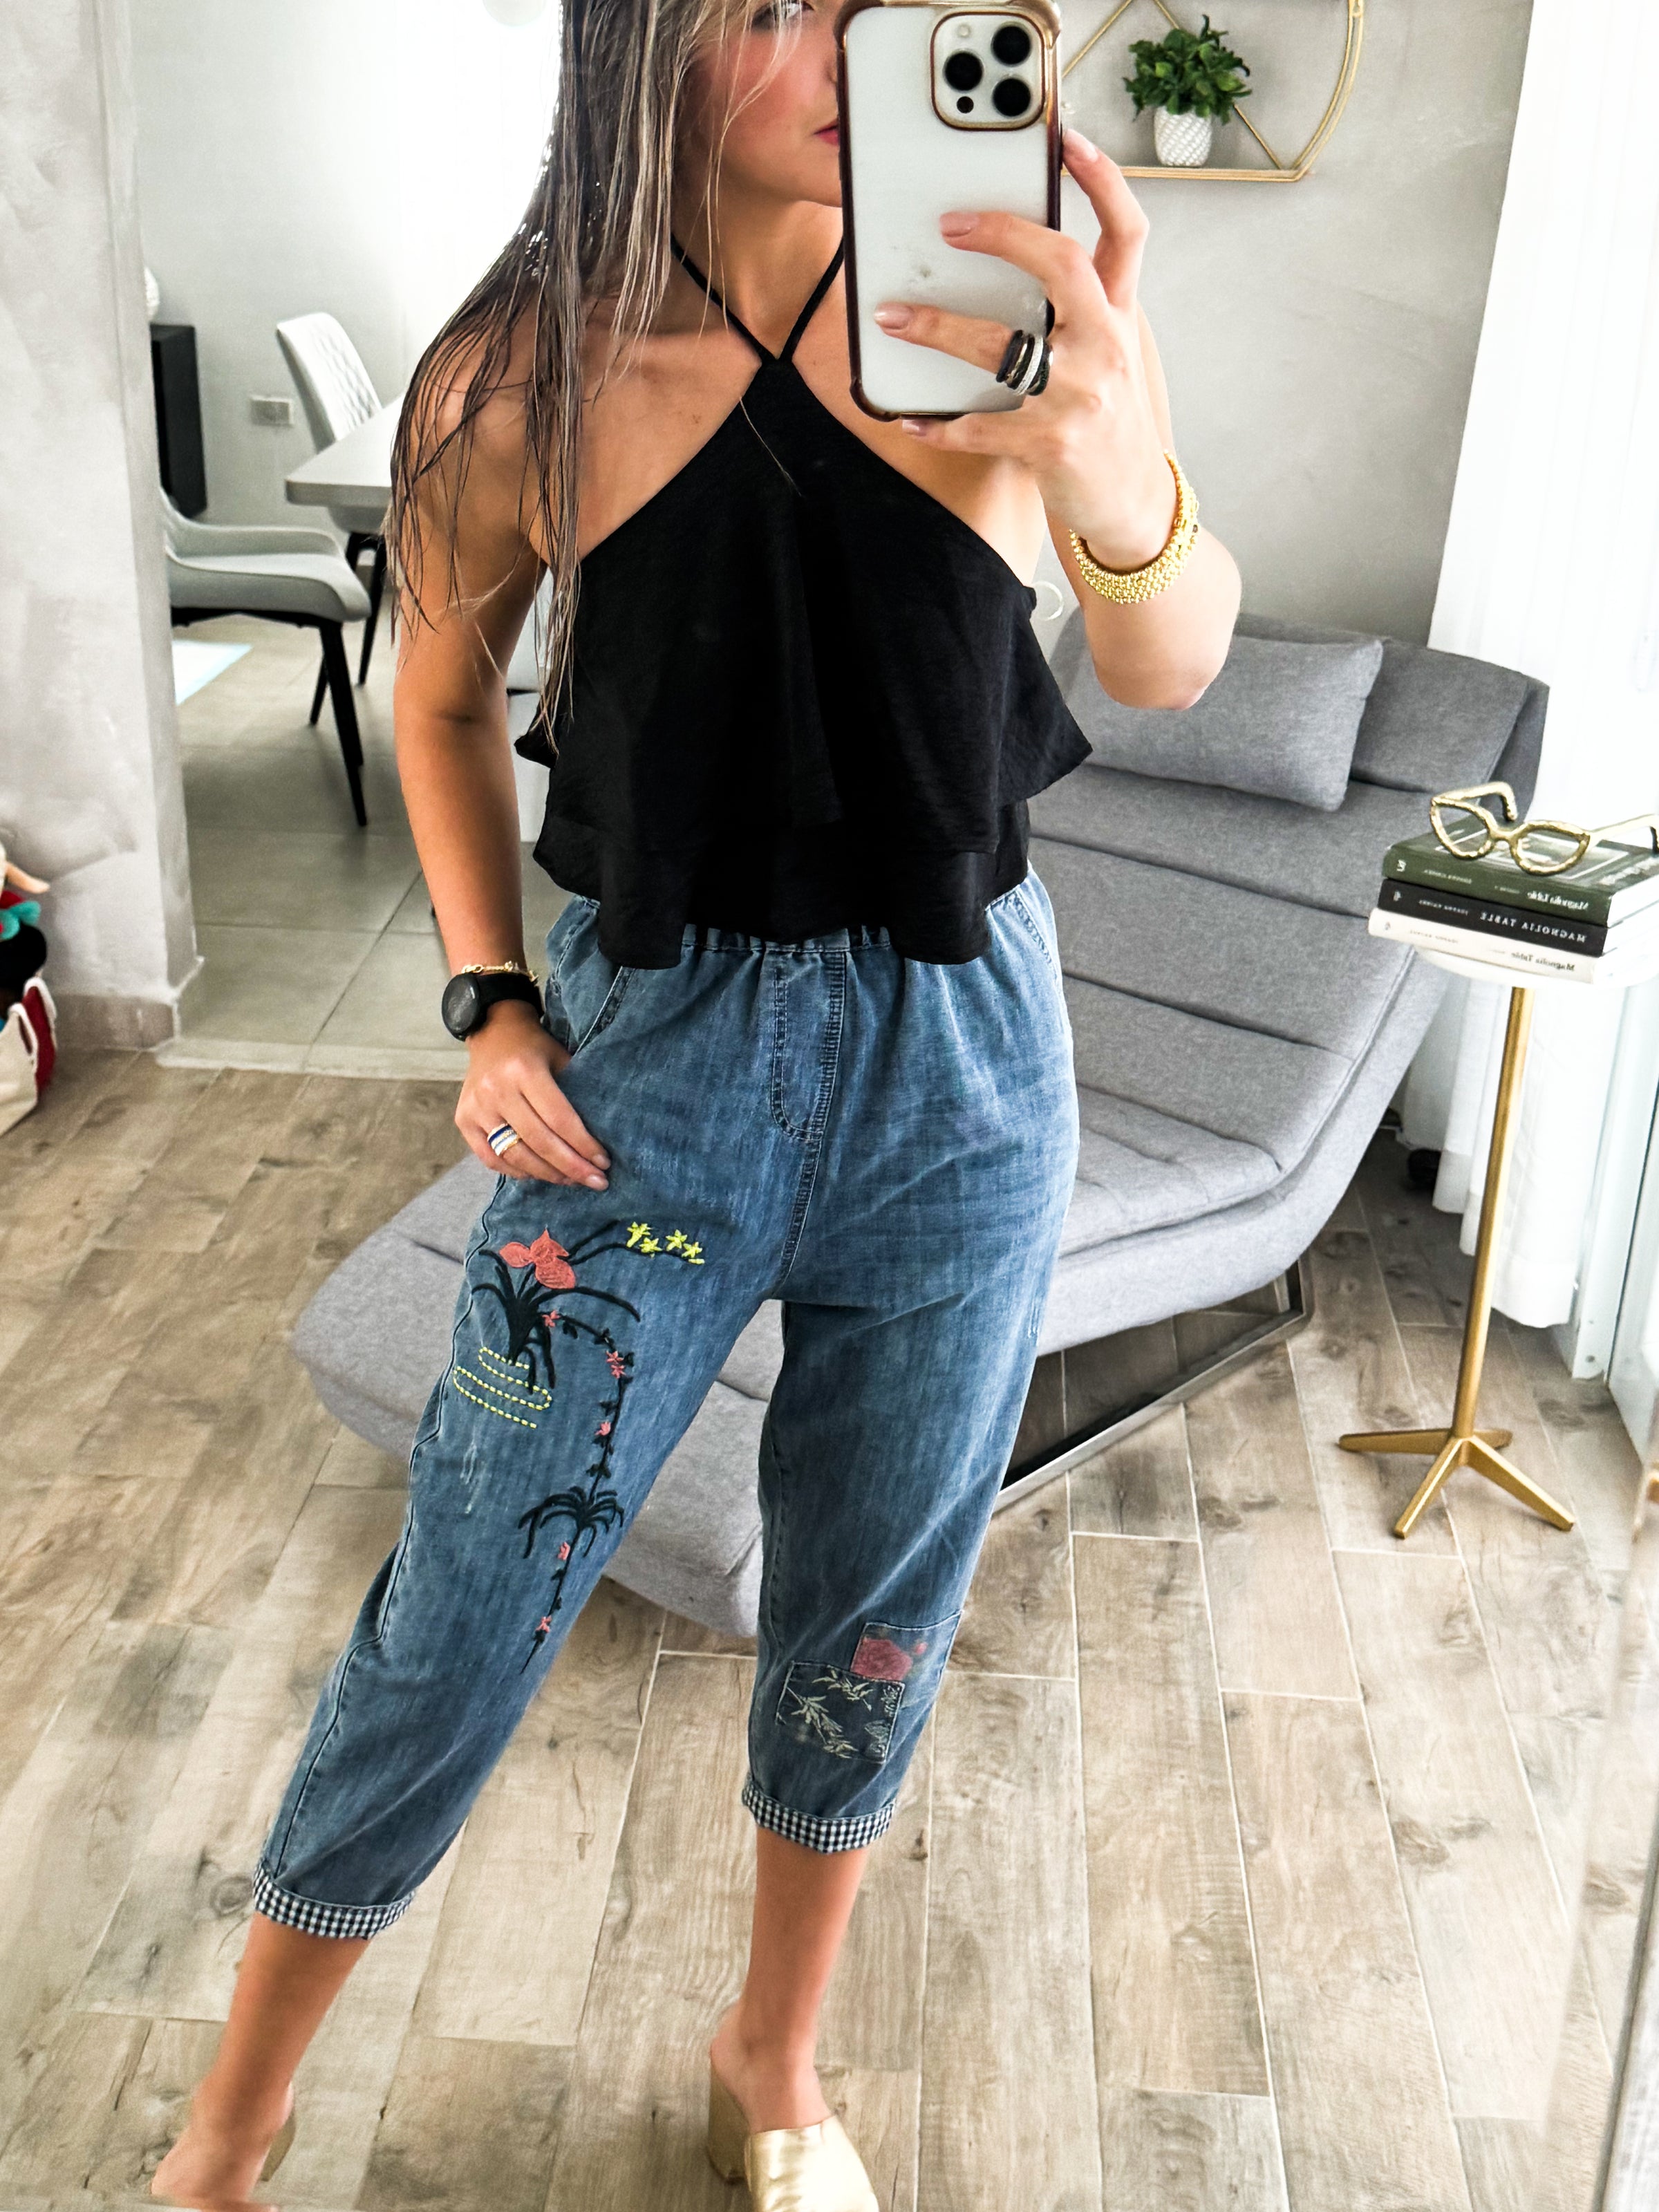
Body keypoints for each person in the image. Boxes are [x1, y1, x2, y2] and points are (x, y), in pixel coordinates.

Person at [153, 0, 1239, 2204]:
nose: (842, 51)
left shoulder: (988, 313)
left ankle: (774, 2060)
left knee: (871, 1612)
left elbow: (1167, 658)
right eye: (770, 10)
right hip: (651, 1071)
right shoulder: (516, 377)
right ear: (638, 38)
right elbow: (437, 699)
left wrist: (1117, 460)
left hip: (968, 1068)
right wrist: (487, 1001)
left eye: (872, 3)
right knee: (462, 1607)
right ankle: (226, 2136)